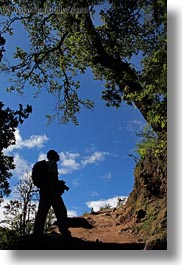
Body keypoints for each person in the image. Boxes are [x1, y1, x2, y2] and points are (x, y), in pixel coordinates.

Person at [33, 150, 71, 239]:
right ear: (53, 156)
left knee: (42, 212)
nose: (59, 156)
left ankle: (37, 233)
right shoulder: (52, 164)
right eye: (57, 155)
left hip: (44, 191)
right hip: (52, 192)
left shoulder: (46, 165)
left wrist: (59, 184)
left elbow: (50, 179)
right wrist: (59, 185)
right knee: (61, 211)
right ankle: (64, 232)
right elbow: (52, 179)